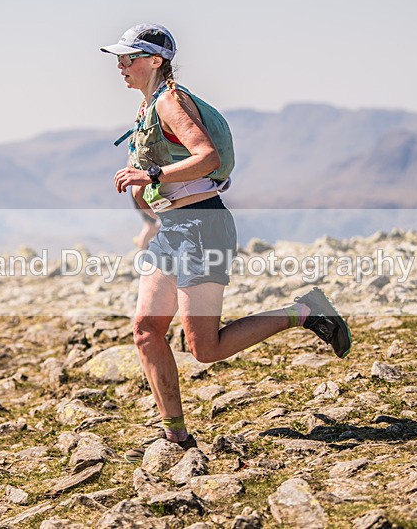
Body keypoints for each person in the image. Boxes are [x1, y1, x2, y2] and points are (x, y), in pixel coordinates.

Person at [101, 23, 352, 460]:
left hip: (201, 228)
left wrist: (153, 175)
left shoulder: (170, 102)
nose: (121, 65)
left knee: (205, 348)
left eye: (129, 57)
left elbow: (208, 158)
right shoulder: (146, 110)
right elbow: (156, 175)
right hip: (171, 230)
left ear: (155, 61)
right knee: (146, 330)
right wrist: (147, 210)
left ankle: (306, 312)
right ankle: (175, 436)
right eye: (118, 58)